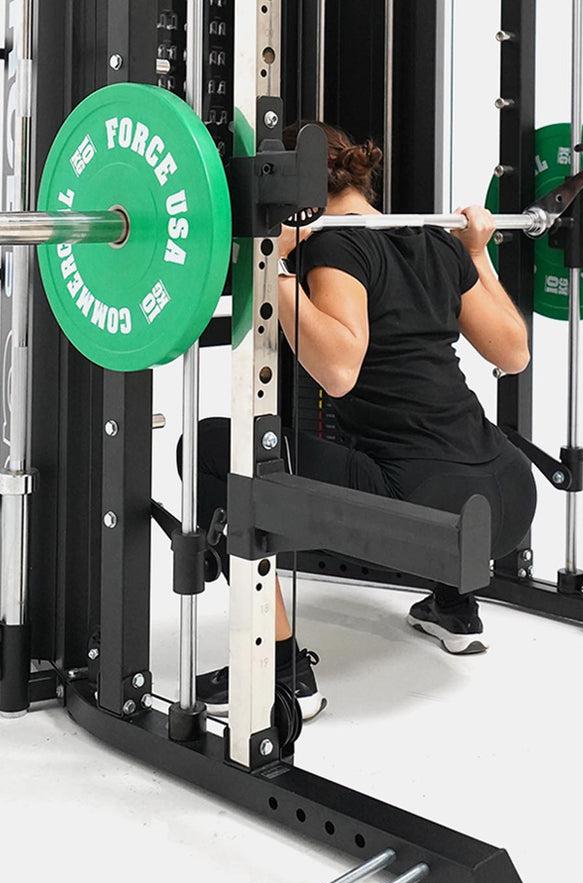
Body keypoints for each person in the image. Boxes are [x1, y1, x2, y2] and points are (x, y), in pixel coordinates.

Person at [191, 122, 537, 721]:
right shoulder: (433, 238)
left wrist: (272, 263)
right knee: (410, 437)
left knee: (211, 447)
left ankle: (278, 669)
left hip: (428, 511)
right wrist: (478, 255)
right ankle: (455, 609)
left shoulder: (335, 246)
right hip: (508, 495)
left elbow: (339, 371)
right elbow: (515, 352)